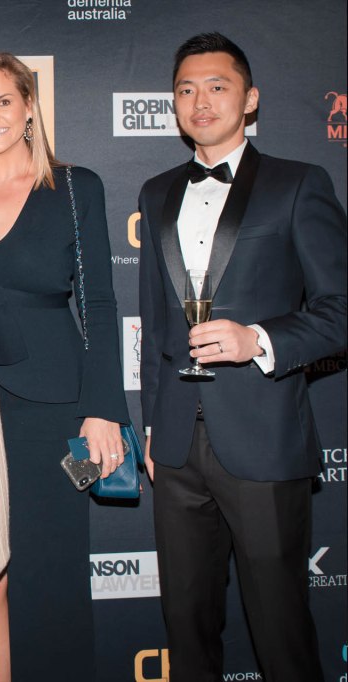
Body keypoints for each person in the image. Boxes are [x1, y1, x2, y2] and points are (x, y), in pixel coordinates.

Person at [138, 33, 346, 681]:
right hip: (176, 446)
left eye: (217, 86)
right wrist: (152, 425)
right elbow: (154, 321)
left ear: (250, 99)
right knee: (186, 629)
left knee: (281, 634)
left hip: (264, 438)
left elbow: (340, 310)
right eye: (186, 90)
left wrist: (257, 339)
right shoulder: (155, 192)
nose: (200, 101)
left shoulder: (299, 184)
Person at [0, 53, 130, 681]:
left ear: (29, 107)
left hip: (56, 405)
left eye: (3, 102)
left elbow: (99, 303)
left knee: (51, 568)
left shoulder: (74, 188)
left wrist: (104, 409)